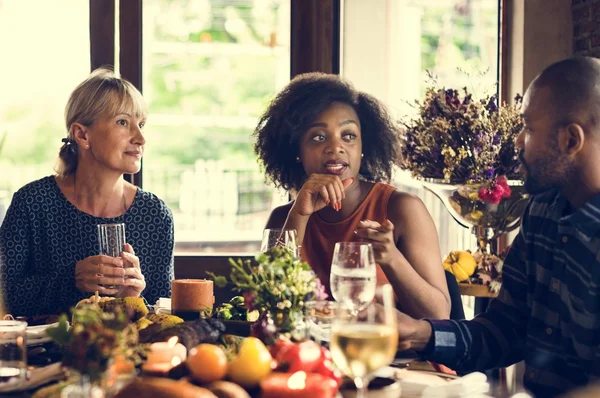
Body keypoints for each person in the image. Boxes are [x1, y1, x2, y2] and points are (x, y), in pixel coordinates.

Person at [392, 56, 600, 397]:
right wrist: (417, 333)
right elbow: (506, 329)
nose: (518, 142)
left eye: (529, 129)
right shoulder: (542, 211)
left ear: (570, 141)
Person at [254, 72, 450, 319]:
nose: (336, 147)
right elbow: (267, 310)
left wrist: (391, 258)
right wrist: (300, 216)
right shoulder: (283, 218)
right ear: (296, 151)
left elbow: (439, 315)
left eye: (349, 136)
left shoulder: (402, 209)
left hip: (393, 354)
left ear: (363, 149)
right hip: (309, 355)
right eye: (318, 137)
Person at [0, 68, 174, 317]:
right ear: (82, 134)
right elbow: (5, 296)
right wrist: (71, 279)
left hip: (125, 353)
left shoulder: (154, 215)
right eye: (123, 122)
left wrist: (134, 298)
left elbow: (165, 312)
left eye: (141, 124)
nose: (140, 138)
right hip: (42, 353)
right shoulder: (32, 203)